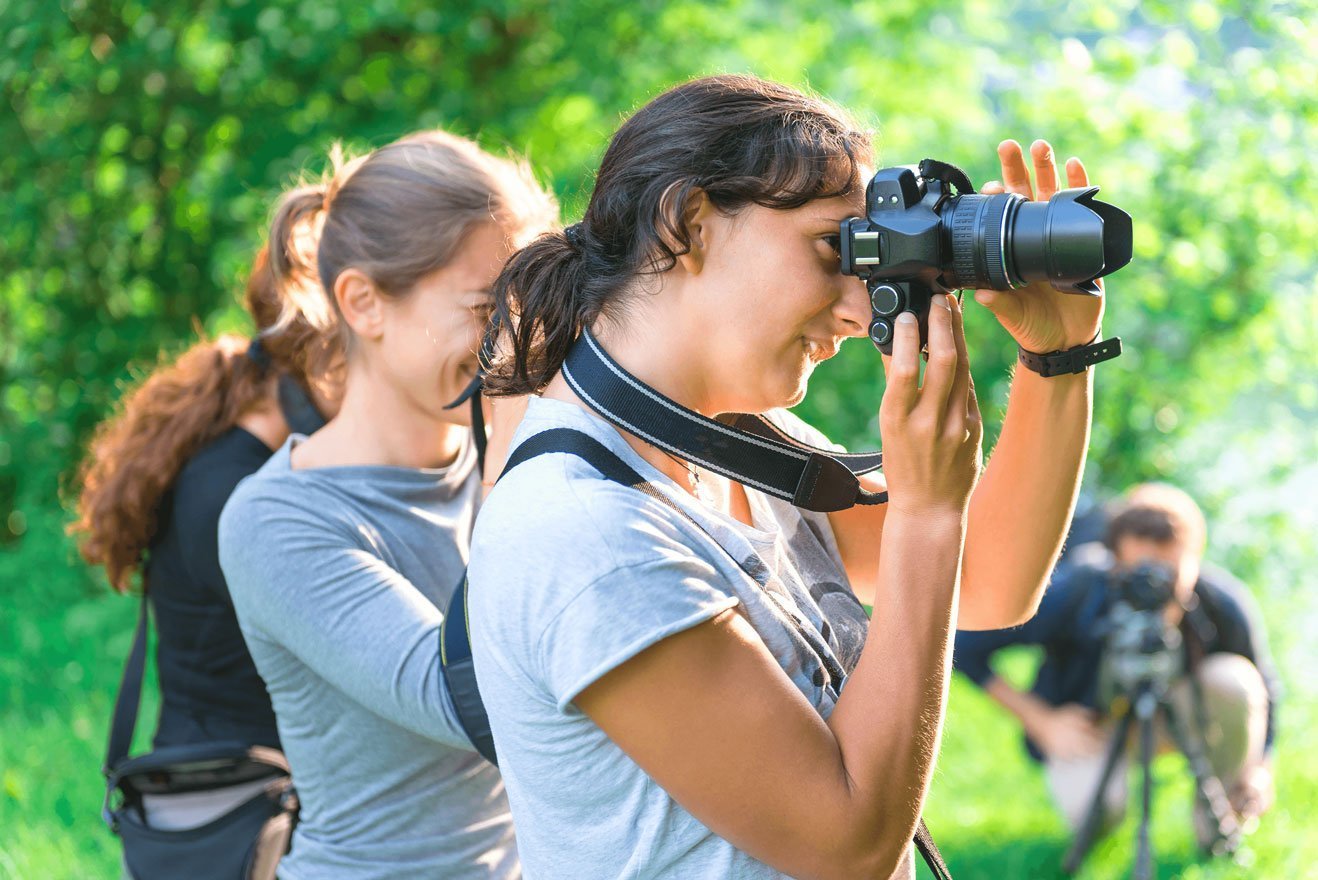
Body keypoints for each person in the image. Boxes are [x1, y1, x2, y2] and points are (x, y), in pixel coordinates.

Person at [468, 73, 1113, 880]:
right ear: (688, 222)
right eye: (830, 248)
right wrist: (923, 513)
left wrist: (1057, 359)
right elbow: (846, 844)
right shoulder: (588, 531)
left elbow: (990, 580)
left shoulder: (734, 443)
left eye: (866, 256)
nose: (857, 309)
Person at [218, 129, 556, 879]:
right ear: (365, 303)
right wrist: (516, 461)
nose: (517, 340)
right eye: (485, 307)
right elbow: (470, 702)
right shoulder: (277, 519)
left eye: (524, 305)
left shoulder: (501, 471)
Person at [70, 239, 341, 832]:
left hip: (230, 785)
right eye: (348, 363)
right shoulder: (232, 496)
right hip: (234, 807)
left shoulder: (229, 462)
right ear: (308, 367)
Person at [954, 483, 1279, 843]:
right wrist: (1041, 721)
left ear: (1197, 560)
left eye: (1168, 573)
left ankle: (1216, 822)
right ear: (1114, 561)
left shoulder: (1221, 603)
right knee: (1095, 812)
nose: (1154, 587)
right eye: (1138, 574)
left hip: (1182, 715)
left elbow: (1265, 685)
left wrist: (1262, 767)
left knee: (1237, 682)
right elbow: (965, 645)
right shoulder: (1079, 588)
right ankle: (1100, 814)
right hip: (1095, 728)